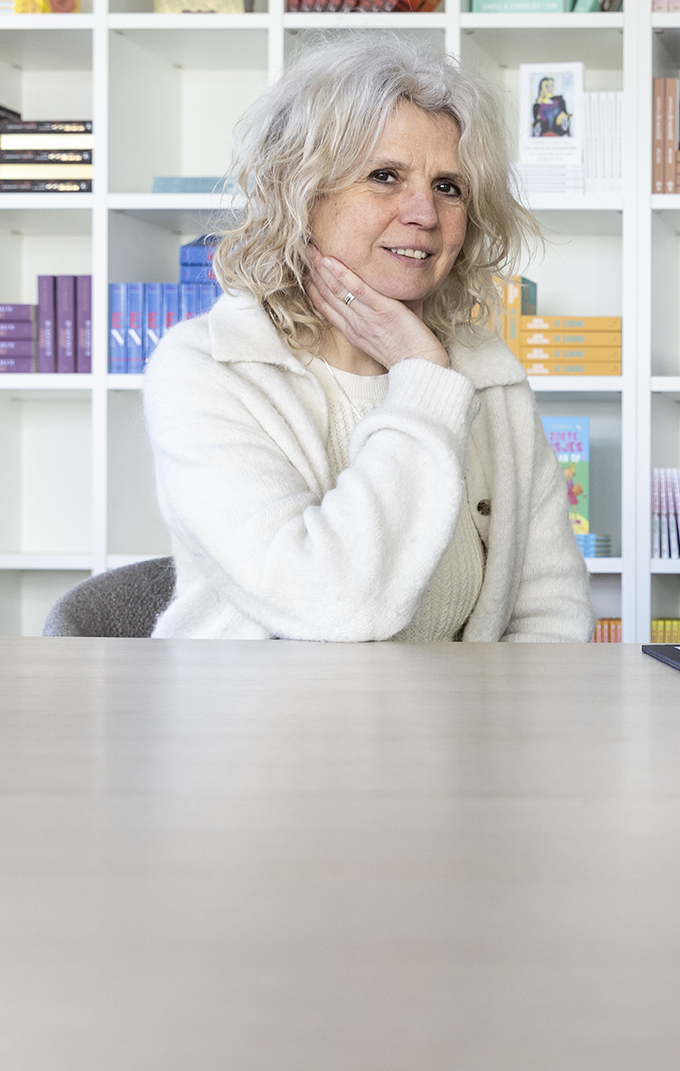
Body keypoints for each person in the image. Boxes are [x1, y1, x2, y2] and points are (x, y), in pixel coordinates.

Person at [142, 33, 593, 641]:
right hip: (257, 730)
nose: (425, 214)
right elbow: (335, 606)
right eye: (385, 176)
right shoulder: (207, 369)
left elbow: (551, 618)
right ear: (299, 193)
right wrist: (421, 374)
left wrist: (499, 736)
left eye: (448, 187)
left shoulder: (489, 371)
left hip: (461, 736)